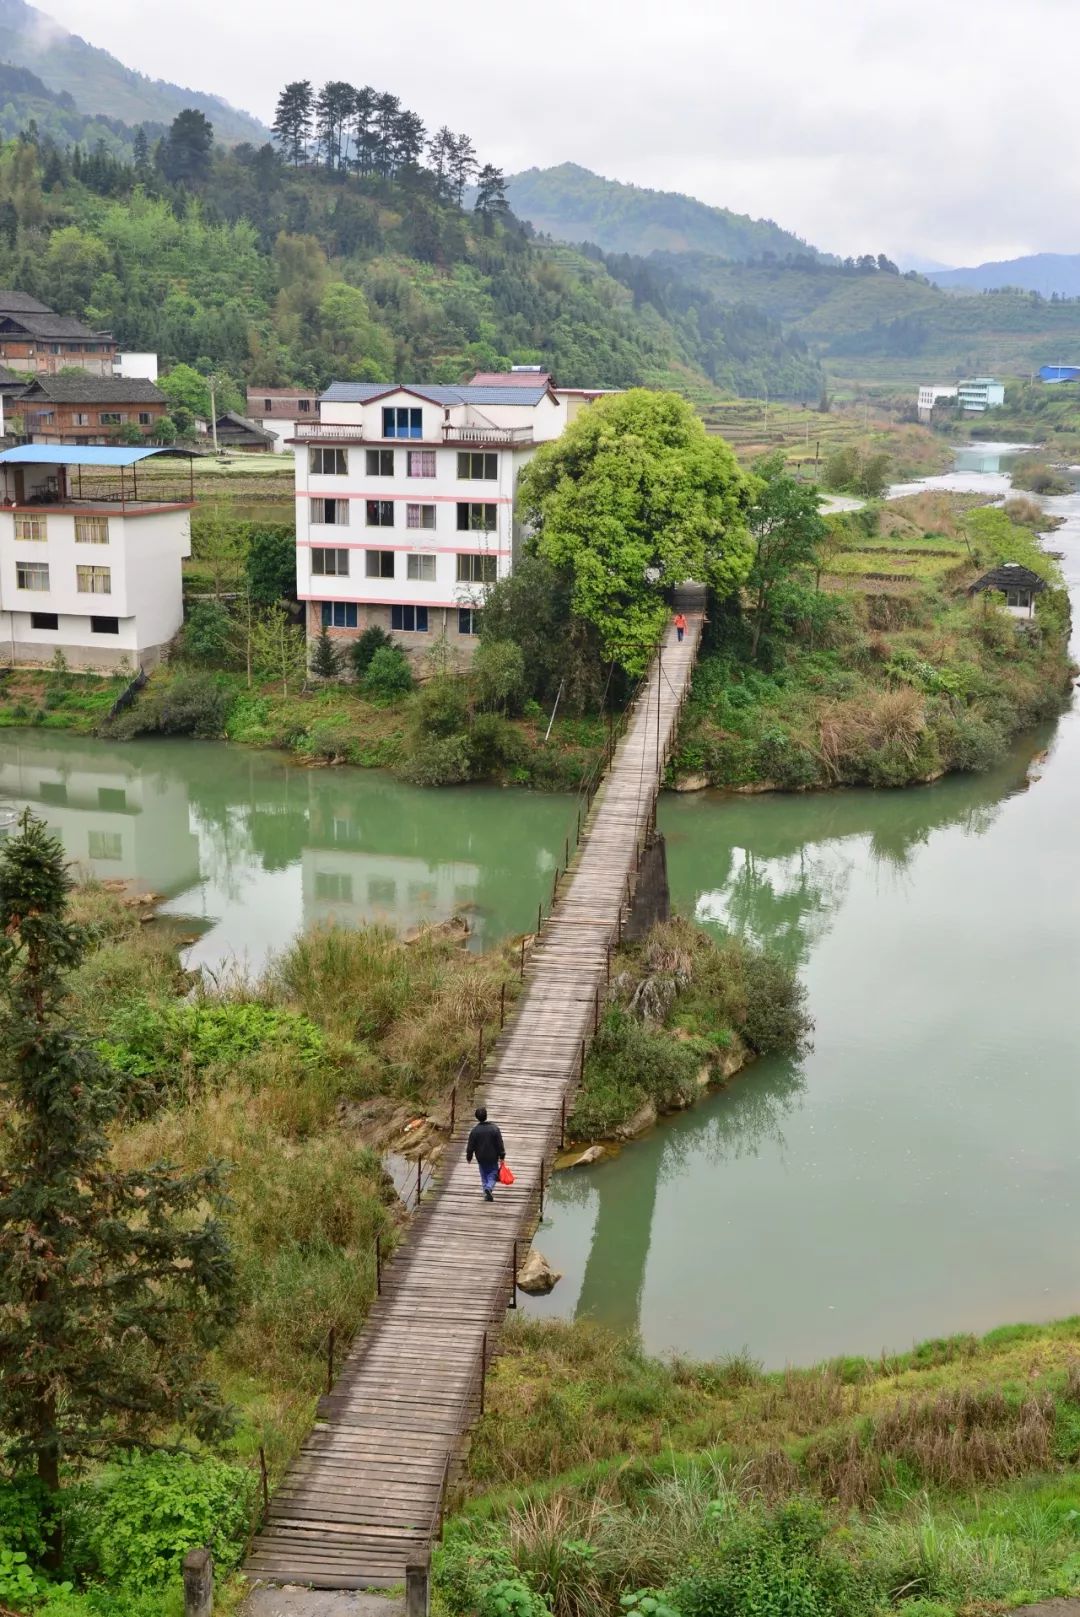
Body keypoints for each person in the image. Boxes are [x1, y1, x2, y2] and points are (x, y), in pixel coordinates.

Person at [466, 1105, 506, 1202]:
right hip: (493, 1157)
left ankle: (486, 1193)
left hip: (481, 1157)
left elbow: (471, 1146)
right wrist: (502, 1155)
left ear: (476, 1117)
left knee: (483, 1175)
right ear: (486, 1115)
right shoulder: (494, 1129)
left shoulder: (474, 1131)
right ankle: (488, 1188)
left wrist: (469, 1156)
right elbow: (499, 1143)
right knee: (493, 1174)